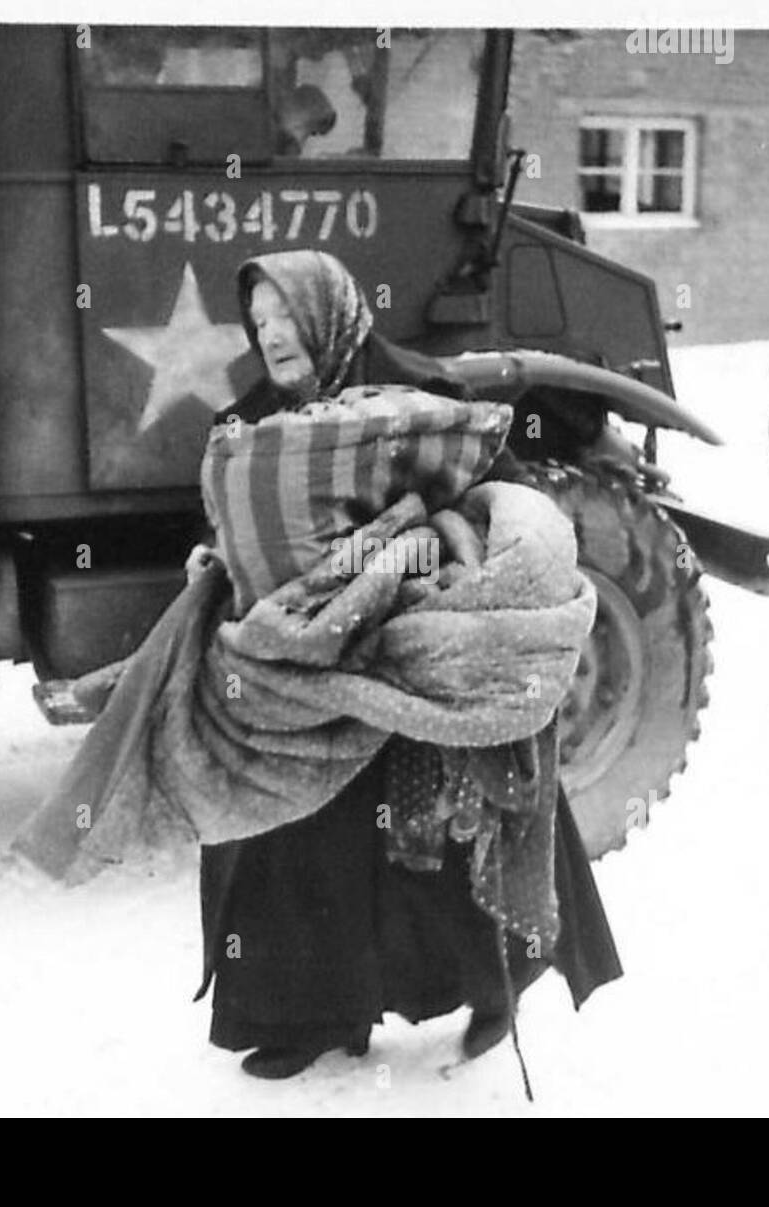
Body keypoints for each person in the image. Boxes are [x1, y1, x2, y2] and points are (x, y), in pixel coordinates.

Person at [193, 249, 622, 1079]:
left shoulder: (423, 397)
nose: (272, 336)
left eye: (285, 316)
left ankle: (495, 983)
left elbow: (500, 492)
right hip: (306, 666)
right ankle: (314, 1012)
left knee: (448, 826)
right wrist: (211, 561)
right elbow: (228, 526)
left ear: (330, 312)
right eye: (258, 324)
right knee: (289, 833)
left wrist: (431, 555)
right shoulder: (250, 427)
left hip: (416, 649)